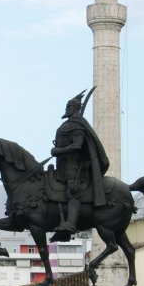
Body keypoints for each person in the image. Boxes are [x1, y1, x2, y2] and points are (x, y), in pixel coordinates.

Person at [50, 90, 110, 238]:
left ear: (75, 108)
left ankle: (70, 223)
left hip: (74, 166)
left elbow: (77, 145)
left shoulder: (77, 125)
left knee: (72, 191)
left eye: (69, 106)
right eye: (67, 106)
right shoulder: (69, 123)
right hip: (63, 165)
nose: (66, 108)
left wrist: (58, 150)